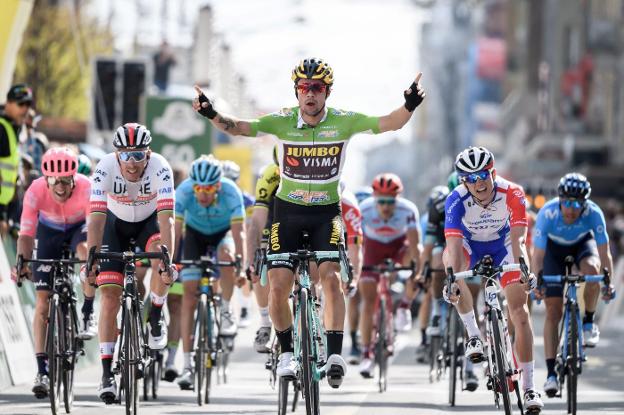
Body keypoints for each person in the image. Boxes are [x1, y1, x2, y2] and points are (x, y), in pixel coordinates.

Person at [192, 57, 425, 388]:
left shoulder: (344, 122)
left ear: (326, 92)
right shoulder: (283, 121)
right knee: (276, 285)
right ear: (297, 92)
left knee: (330, 278)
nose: (310, 94)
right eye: (304, 88)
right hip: (287, 212)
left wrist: (409, 105)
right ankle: (286, 353)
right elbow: (240, 127)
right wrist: (211, 113)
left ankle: (333, 355)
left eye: (316, 88)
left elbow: (390, 122)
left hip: (325, 214)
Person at [443, 146, 543, 411]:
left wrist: (524, 270)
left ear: (493, 173)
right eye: (470, 178)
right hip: (470, 247)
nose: (478, 183)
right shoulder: (455, 199)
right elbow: (453, 247)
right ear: (463, 180)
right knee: (453, 265)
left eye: (483, 175)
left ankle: (530, 388)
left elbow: (519, 240)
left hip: (503, 246)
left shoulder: (513, 192)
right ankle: (474, 334)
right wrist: (452, 280)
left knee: (520, 313)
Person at [84, 123, 177, 403]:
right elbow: (97, 219)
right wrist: (92, 257)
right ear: (117, 155)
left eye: (138, 155)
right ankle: (106, 373)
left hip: (150, 224)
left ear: (148, 154)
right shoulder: (104, 168)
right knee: (110, 297)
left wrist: (167, 261)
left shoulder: (161, 167)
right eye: (126, 156)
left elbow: (167, 219)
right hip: (115, 224)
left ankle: (157, 313)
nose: (132, 163)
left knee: (161, 258)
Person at [11, 147, 97, 398]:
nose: (60, 186)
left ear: (74, 178)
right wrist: (23, 262)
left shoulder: (87, 188)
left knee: (85, 251)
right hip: (48, 232)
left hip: (78, 228)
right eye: (54, 181)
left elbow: (94, 230)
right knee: (42, 303)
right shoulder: (35, 191)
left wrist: (91, 262)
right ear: (46, 179)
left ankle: (87, 312)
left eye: (66, 180)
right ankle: (42, 370)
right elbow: (26, 234)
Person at [532, 173, 615, 397]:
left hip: (582, 245)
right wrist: (536, 281)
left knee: (592, 270)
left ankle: (588, 322)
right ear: (559, 200)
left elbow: (604, 253)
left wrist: (608, 283)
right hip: (553, 251)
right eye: (567, 202)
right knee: (553, 311)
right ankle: (550, 374)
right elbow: (538, 255)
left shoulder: (594, 213)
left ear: (585, 203)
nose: (571, 208)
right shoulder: (547, 213)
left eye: (577, 203)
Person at [175, 155, 247, 389]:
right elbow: (175, 230)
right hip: (194, 234)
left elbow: (240, 233)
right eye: (198, 188)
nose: (203, 193)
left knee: (227, 255)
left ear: (218, 185)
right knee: (188, 295)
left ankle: (225, 309)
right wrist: (173, 261)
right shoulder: (184, 191)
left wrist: (241, 266)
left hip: (222, 233)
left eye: (208, 188)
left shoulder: (231, 192)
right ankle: (186, 365)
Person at [357, 173, 421, 377]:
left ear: (398, 198)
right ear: (374, 197)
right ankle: (366, 354)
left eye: (390, 201)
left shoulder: (408, 210)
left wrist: (416, 271)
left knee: (417, 257)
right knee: (368, 302)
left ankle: (404, 306)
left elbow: (414, 244)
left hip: (398, 247)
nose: (385, 206)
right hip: (372, 249)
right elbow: (355, 241)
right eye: (381, 201)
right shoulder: (364, 209)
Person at [419, 179, 480, 388]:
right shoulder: (439, 204)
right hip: (443, 242)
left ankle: (470, 367)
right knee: (437, 266)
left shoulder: (479, 203)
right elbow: (428, 244)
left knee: (473, 301)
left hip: (470, 245)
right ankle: (438, 309)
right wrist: (423, 269)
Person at [222, 159, 255, 327]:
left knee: (243, 267)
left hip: (241, 237)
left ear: (237, 180)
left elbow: (251, 226)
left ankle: (244, 308)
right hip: (223, 237)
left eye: (232, 180)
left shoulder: (247, 200)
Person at [1, 84, 32, 237]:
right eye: (21, 104)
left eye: (28, 104)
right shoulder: (1, 128)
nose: (25, 109)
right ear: (8, 103)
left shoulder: (12, 128)